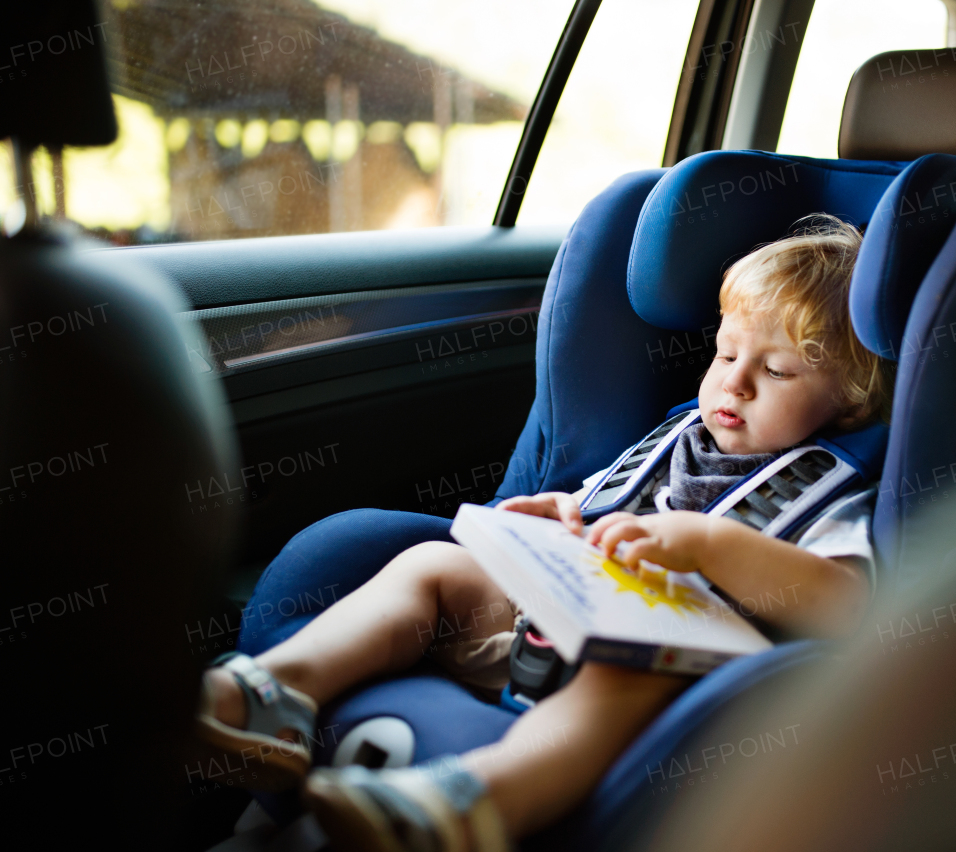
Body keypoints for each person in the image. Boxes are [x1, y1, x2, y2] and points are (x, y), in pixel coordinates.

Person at [195, 215, 893, 852]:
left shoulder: (831, 489)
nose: (733, 386)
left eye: (775, 370)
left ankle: (475, 801)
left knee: (638, 667)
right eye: (724, 354)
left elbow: (848, 606)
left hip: (670, 674)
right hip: (550, 619)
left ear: (851, 399)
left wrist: (713, 546)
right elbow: (599, 504)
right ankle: (273, 695)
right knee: (433, 566)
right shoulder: (681, 433)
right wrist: (558, 516)